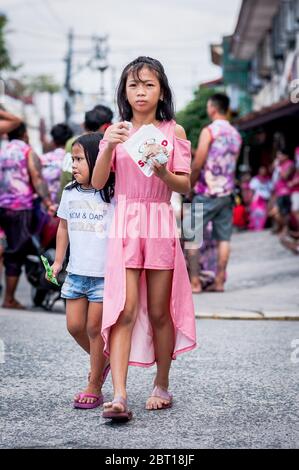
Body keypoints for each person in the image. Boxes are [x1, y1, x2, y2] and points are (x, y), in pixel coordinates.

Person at [92, 56, 196, 421]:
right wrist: (107, 146)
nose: (140, 91)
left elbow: (184, 184)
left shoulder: (175, 132)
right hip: (125, 222)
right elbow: (97, 182)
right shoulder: (116, 131)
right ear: (124, 90)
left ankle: (161, 384)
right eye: (133, 85)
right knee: (124, 309)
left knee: (159, 311)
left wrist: (163, 170)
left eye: (148, 84)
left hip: (158, 220)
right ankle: (119, 395)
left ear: (162, 90)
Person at [50, 133, 115, 408]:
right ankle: (108, 359)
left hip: (103, 275)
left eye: (79, 159)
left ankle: (94, 383)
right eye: (72, 159)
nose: (73, 165)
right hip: (76, 273)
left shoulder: (111, 193)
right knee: (74, 326)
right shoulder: (69, 192)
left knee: (93, 328)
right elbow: (63, 226)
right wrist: (57, 262)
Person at [189, 93, 242, 293]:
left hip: (206, 192)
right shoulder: (236, 134)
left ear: (212, 108)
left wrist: (189, 186)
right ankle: (219, 281)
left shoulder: (209, 131)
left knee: (191, 235)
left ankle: (194, 282)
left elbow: (198, 163)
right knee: (224, 238)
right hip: (227, 193)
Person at [0, 122, 56, 309]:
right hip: (19, 208)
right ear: (24, 133)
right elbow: (37, 178)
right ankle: (9, 299)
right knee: (16, 253)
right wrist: (48, 203)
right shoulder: (27, 151)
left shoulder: (2, 151)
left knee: (3, 250)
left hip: (1, 205)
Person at [59, 105, 114, 198]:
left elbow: (66, 174)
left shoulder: (71, 142)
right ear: (106, 127)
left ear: (84, 125)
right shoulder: (106, 145)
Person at [40, 123, 73, 204]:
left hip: (47, 204)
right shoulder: (73, 159)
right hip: (67, 203)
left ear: (53, 141)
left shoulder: (43, 159)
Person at [271, 149, 295, 234]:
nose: (278, 157)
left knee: (285, 212)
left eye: (280, 155)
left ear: (286, 156)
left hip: (286, 192)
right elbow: (270, 171)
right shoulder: (279, 165)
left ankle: (286, 228)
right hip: (277, 192)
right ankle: (282, 227)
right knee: (276, 212)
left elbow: (285, 176)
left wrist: (278, 167)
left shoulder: (290, 164)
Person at [248, 166, 273, 231]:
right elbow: (251, 190)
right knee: (256, 214)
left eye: (264, 170)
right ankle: (255, 227)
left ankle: (261, 227)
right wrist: (250, 200)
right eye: (261, 170)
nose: (263, 172)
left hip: (266, 200)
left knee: (264, 214)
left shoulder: (268, 180)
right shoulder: (255, 179)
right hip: (257, 200)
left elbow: (272, 191)